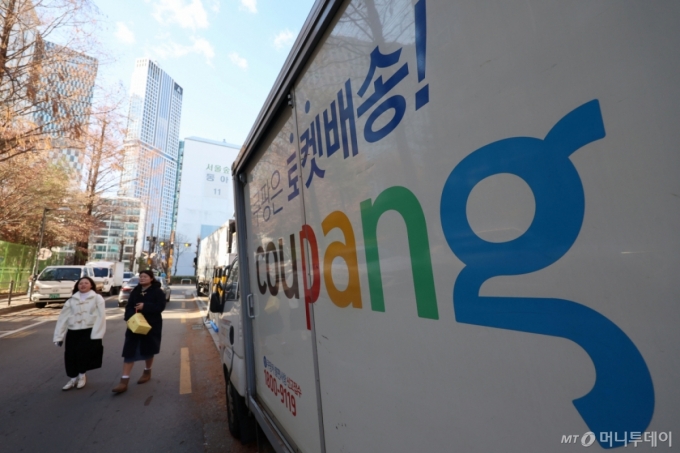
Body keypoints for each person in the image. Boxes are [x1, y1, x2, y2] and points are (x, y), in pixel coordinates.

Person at [112, 270, 166, 394]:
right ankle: (124, 381)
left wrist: (145, 306)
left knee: (149, 349)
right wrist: (130, 317)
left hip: (151, 325)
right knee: (129, 351)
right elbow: (129, 306)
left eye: (145, 276)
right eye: (141, 276)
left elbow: (160, 307)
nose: (142, 278)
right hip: (135, 325)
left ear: (151, 278)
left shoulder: (158, 292)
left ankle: (147, 371)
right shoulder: (135, 291)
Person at [53, 276, 106, 391]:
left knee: (83, 354)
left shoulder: (97, 298)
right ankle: (72, 378)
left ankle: (82, 376)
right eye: (81, 283)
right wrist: (58, 337)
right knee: (70, 355)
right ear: (77, 286)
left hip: (89, 330)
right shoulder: (71, 300)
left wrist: (97, 334)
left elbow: (101, 316)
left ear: (91, 285)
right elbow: (62, 318)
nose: (83, 285)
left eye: (86, 283)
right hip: (73, 331)